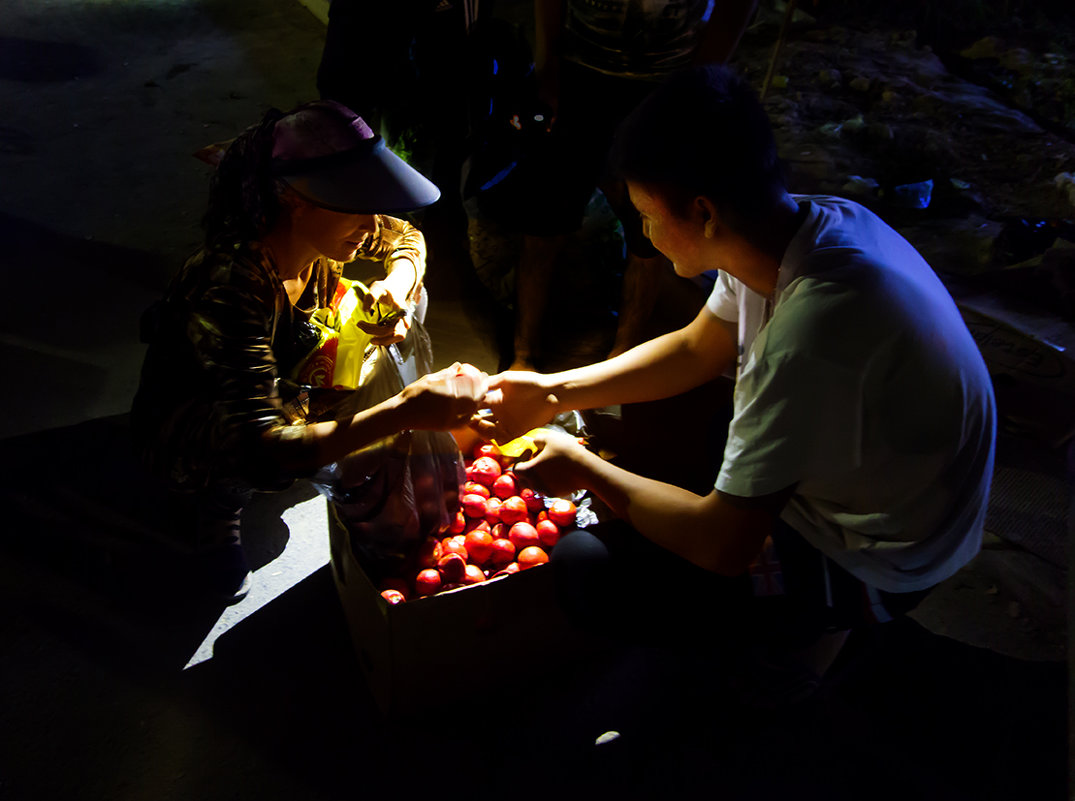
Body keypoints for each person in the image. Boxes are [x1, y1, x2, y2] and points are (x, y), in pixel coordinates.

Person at [475, 65, 997, 696]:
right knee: (677, 434)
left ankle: (777, 663)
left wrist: (581, 468)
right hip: (884, 485)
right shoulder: (800, 230)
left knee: (589, 571)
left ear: (703, 212)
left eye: (644, 212)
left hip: (888, 556)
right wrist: (554, 390)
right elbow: (699, 346)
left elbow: (722, 543)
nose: (642, 230)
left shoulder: (812, 332)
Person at [131, 100, 487, 603]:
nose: (371, 222)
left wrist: (397, 284)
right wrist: (400, 413)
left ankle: (325, 439)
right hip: (207, 423)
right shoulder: (232, 284)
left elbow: (406, 236)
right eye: (356, 205)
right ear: (295, 199)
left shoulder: (327, 231)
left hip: (292, 373)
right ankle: (217, 510)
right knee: (246, 456)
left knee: (413, 303)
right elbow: (260, 444)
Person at [507, 0, 759, 370]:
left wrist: (698, 81)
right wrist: (548, 66)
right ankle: (523, 357)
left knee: (649, 234)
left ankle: (621, 359)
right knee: (545, 219)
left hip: (666, 80)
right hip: (580, 71)